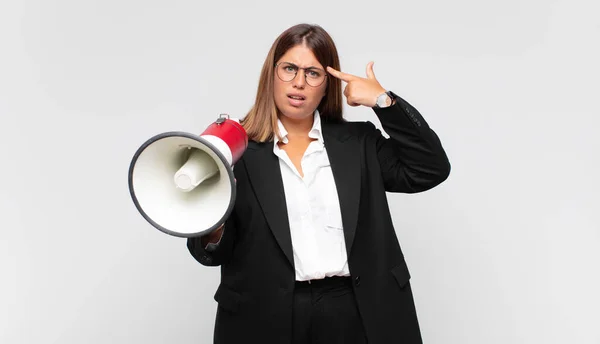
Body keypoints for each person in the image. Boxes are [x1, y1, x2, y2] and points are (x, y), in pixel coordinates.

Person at [187, 23, 450, 344]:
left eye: (313, 73)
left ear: (327, 85)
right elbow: (210, 254)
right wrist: (213, 215)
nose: (299, 82)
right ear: (271, 74)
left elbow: (430, 168)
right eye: (289, 69)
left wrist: (383, 101)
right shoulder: (235, 149)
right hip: (265, 314)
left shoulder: (358, 143)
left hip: (356, 309)